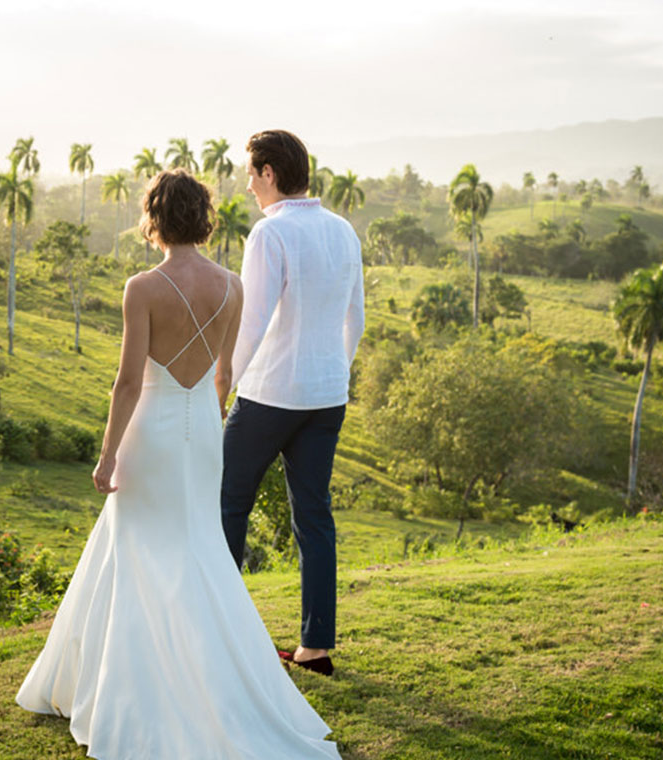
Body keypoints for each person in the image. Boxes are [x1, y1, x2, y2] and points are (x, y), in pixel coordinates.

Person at [16, 169, 337, 759]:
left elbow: (127, 382)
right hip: (202, 435)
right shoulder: (233, 287)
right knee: (196, 548)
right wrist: (206, 425)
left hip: (153, 434)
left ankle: (127, 687)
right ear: (203, 218)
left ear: (155, 219)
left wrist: (108, 453)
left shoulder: (143, 286)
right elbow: (223, 375)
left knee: (139, 549)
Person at [221, 129, 366, 677]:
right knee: (314, 515)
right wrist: (332, 371)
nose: (248, 184)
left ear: (269, 174)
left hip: (270, 394)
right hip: (327, 395)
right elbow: (357, 316)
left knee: (226, 504)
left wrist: (222, 385)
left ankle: (226, 637)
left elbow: (251, 322)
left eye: (251, 173)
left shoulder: (269, 233)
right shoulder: (343, 230)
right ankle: (316, 647)